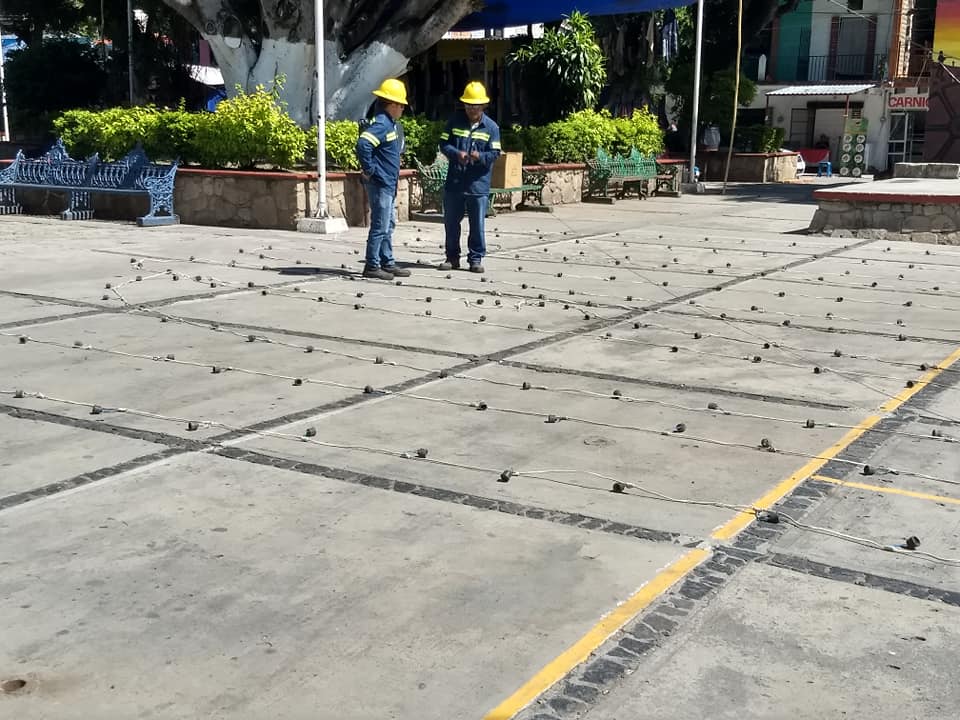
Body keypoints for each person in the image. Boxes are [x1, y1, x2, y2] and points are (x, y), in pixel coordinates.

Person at [438, 82, 502, 274]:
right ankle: (452, 258)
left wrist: (480, 157)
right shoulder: (454, 121)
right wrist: (457, 154)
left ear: (483, 106)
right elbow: (444, 144)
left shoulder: (491, 128)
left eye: (475, 106)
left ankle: (475, 259)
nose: (471, 109)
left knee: (477, 225)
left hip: (477, 185)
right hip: (455, 183)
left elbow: (495, 153)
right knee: (451, 222)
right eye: (468, 105)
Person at [355, 78, 410, 281]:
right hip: (381, 183)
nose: (403, 108)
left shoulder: (390, 124)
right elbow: (363, 145)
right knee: (380, 225)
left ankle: (387, 262)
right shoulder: (381, 125)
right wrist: (370, 169)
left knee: (388, 224)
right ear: (391, 104)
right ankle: (372, 265)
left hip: (388, 183)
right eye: (401, 104)